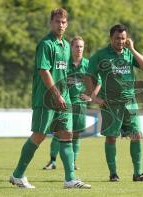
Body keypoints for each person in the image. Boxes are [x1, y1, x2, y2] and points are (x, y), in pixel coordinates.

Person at [9, 8, 91, 189]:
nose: (60, 25)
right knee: (39, 136)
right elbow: (44, 71)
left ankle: (70, 179)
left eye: (63, 22)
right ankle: (17, 175)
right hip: (47, 99)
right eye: (57, 22)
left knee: (66, 136)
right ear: (51, 23)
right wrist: (57, 94)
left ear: (67, 24)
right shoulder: (46, 44)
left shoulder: (65, 47)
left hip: (65, 100)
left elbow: (67, 72)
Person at [86, 24, 143, 182]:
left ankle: (138, 174)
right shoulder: (100, 55)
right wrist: (95, 98)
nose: (120, 41)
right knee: (111, 138)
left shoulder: (129, 54)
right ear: (110, 38)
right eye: (117, 38)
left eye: (123, 38)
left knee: (136, 136)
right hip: (110, 104)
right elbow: (88, 76)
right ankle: (113, 173)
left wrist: (133, 49)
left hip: (130, 103)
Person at [43, 36, 101, 170]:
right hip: (63, 103)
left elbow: (99, 81)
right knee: (59, 132)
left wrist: (91, 96)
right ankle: (52, 161)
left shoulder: (88, 64)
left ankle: (73, 162)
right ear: (71, 47)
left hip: (80, 105)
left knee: (75, 134)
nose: (79, 49)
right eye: (76, 46)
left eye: (81, 46)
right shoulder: (63, 63)